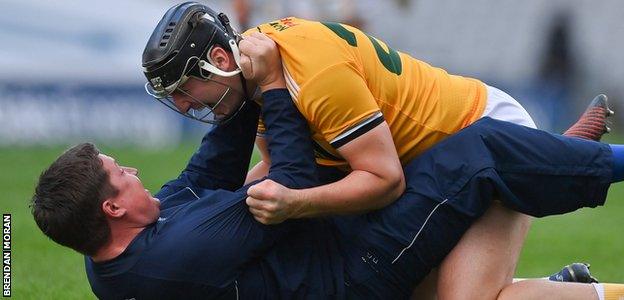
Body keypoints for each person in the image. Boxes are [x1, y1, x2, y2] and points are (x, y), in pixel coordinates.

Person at [141, 3, 614, 299]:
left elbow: (385, 180)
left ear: (219, 61)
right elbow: (289, 163)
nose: (184, 105)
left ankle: (552, 174)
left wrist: (295, 204)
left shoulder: (309, 76)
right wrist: (212, 214)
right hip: (425, 161)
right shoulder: (260, 73)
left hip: (476, 144)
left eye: (185, 88)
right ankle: (556, 174)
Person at [32, 80, 624, 299]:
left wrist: (232, 87)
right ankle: (586, 161)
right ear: (112, 207)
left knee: (464, 284)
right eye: (122, 174)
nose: (135, 172)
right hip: (355, 267)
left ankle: (549, 175)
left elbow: (206, 175)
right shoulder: (173, 254)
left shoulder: (110, 255)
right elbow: (293, 182)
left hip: (333, 254)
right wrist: (276, 88)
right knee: (479, 153)